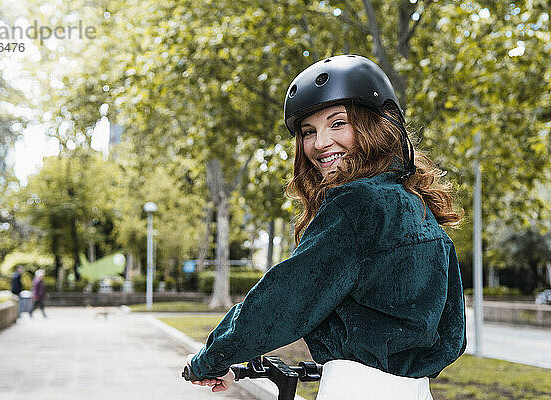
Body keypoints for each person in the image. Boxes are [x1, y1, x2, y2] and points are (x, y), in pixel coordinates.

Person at [187, 55, 466, 399]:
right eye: (309, 131)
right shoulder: (418, 206)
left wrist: (210, 359)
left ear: (375, 126)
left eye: (337, 124)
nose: (319, 143)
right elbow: (453, 331)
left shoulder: (356, 203)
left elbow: (283, 302)